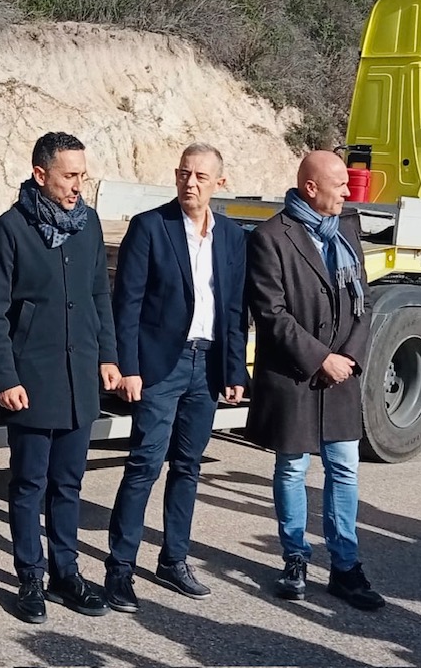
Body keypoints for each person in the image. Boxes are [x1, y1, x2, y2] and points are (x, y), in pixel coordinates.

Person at [0, 132, 121, 624]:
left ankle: (67, 573)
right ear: (41, 175)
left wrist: (108, 355)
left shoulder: (88, 224)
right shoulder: (9, 230)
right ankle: (30, 579)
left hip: (80, 377)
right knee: (28, 484)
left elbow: (100, 296)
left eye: (83, 174)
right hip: (32, 381)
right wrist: (6, 376)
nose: (79, 185)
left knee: (69, 484)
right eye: (69, 175)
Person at [104, 143, 249, 611]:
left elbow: (232, 307)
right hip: (159, 367)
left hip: (206, 365)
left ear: (219, 183)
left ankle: (174, 560)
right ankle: (120, 569)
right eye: (184, 174)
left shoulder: (230, 236)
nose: (190, 183)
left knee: (188, 466)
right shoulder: (150, 227)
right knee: (144, 464)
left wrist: (235, 369)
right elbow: (125, 304)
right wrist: (129, 368)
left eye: (201, 176)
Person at [245, 150, 386, 612]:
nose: (348, 192)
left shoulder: (346, 228)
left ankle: (346, 567)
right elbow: (271, 313)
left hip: (342, 374)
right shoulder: (270, 237)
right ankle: (295, 561)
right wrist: (319, 358)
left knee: (344, 468)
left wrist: (347, 357)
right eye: (339, 185)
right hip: (296, 375)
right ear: (310, 188)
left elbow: (363, 301)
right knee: (293, 468)